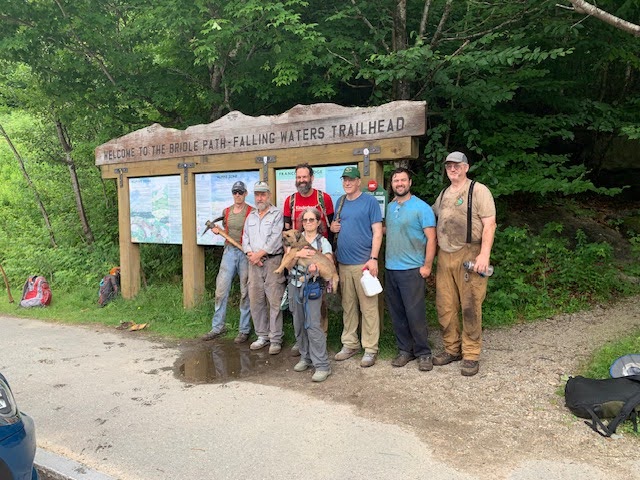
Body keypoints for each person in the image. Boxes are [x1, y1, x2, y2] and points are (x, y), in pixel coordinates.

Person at [431, 151, 496, 377]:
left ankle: (471, 354)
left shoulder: (478, 190)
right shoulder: (444, 194)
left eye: (457, 165)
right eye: (449, 166)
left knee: (470, 305)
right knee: (445, 306)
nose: (452, 169)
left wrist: (484, 255)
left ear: (466, 167)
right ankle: (451, 349)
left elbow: (490, 224)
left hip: (470, 254)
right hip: (444, 256)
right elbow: (429, 220)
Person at [329, 166, 383, 368]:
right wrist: (334, 227)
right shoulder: (340, 201)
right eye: (344, 179)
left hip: (364, 264)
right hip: (343, 263)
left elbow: (377, 232)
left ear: (359, 181)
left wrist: (373, 258)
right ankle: (350, 343)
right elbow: (336, 226)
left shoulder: (369, 202)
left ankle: (370, 348)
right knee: (348, 306)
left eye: (351, 179)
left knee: (368, 308)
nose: (347, 182)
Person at [384, 168, 437, 371]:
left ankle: (424, 353)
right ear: (392, 184)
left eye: (403, 180)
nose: (399, 183)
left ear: (410, 182)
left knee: (415, 314)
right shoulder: (389, 207)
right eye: (396, 180)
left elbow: (432, 238)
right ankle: (405, 350)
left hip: (412, 269)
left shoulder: (421, 207)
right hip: (391, 268)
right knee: (397, 313)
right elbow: (388, 230)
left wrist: (427, 266)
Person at [283, 163, 335, 356]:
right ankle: (304, 347)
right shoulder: (290, 201)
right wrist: (291, 257)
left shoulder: (324, 198)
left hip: (318, 253)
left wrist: (326, 257)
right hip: (296, 258)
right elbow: (286, 231)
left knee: (319, 307)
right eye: (299, 177)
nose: (302, 180)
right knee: (299, 309)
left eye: (305, 177)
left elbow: (330, 225)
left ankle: (320, 344)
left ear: (311, 178)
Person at [202, 181, 253, 343]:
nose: (237, 195)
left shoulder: (251, 212)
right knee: (221, 290)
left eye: (240, 192)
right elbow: (226, 231)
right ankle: (218, 327)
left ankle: (244, 330)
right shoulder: (227, 211)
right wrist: (218, 231)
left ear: (245, 193)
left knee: (245, 291)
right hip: (229, 252)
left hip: (245, 252)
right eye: (235, 192)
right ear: (232, 194)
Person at [287, 207, 333, 382]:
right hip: (295, 283)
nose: (308, 223)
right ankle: (305, 357)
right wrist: (297, 254)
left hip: (313, 286)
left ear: (318, 222)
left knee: (313, 325)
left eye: (311, 220)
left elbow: (328, 264)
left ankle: (322, 365)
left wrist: (317, 268)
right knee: (298, 323)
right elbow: (288, 265)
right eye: (305, 220)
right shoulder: (294, 239)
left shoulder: (323, 243)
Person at [242, 181, 286, 355]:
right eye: (257, 194)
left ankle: (275, 338)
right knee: (256, 299)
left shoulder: (277, 214)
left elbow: (275, 239)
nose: (260, 197)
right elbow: (245, 237)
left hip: (273, 262)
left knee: (274, 301)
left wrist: (258, 255)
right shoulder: (251, 216)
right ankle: (262, 336)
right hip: (253, 263)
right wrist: (250, 254)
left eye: (263, 194)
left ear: (269, 195)